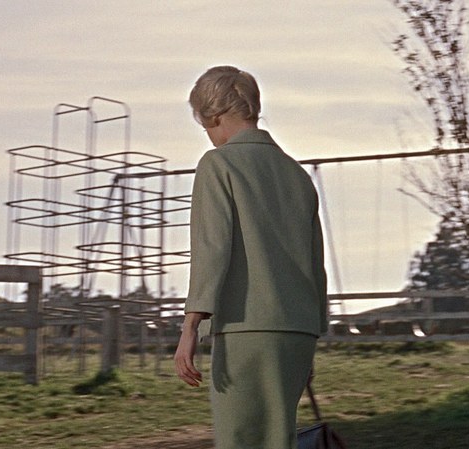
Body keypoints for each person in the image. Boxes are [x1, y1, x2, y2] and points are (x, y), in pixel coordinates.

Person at [174, 65, 328, 449]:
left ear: (214, 116)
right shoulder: (298, 176)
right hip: (298, 332)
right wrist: (312, 333)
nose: (209, 137)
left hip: (245, 329)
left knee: (240, 440)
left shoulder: (218, 165)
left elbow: (212, 249)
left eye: (205, 126)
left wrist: (190, 327)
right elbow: (315, 263)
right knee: (278, 439)